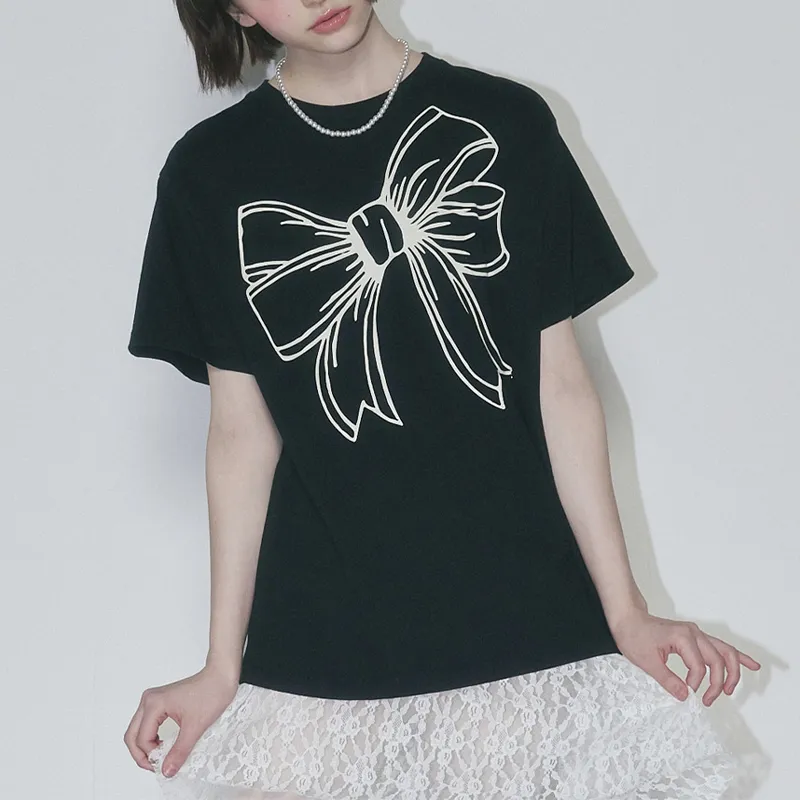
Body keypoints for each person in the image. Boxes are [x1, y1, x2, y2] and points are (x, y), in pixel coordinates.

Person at [122, 1, 761, 798]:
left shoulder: (506, 121)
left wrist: (626, 612)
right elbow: (240, 434)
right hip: (321, 626)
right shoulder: (209, 172)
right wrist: (222, 663)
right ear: (235, 8)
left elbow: (561, 386)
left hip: (517, 612)